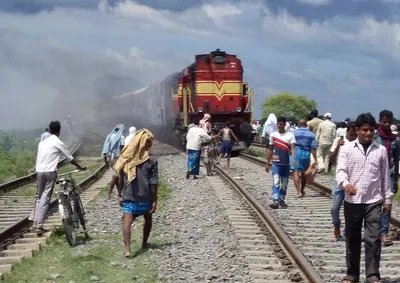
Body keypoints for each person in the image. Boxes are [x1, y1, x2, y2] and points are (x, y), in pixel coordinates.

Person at [337, 113, 392, 283]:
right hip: (352, 202)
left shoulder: (381, 150)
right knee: (352, 238)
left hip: (373, 201)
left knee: (373, 239)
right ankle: (352, 273)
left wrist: (388, 199)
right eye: (364, 130)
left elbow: (385, 177)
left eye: (371, 130)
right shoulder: (347, 149)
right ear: (358, 131)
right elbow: (340, 171)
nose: (368, 133)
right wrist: (346, 184)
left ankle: (372, 274)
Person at [29, 121, 86, 236]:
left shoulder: (42, 143)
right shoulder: (58, 142)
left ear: (50, 130)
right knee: (45, 197)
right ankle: (39, 226)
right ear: (59, 131)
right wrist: (80, 166)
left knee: (39, 196)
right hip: (50, 172)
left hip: (39, 171)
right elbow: (69, 157)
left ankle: (34, 223)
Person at [114, 129, 157, 258]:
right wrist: (155, 200)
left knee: (127, 222)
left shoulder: (126, 158)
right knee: (148, 218)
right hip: (146, 196)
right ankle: (144, 243)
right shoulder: (152, 160)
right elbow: (153, 183)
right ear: (146, 144)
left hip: (129, 195)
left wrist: (120, 194)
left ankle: (128, 250)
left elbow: (120, 178)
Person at [374, 110, 400, 246]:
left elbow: (396, 161)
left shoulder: (394, 139)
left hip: (388, 174)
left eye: (389, 122)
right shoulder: (374, 137)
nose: (387, 124)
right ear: (380, 121)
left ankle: (384, 232)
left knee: (387, 205)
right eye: (384, 121)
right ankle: (373, 230)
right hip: (373, 174)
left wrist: (396, 180)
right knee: (372, 204)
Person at [329, 121, 358, 240]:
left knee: (351, 209)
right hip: (340, 180)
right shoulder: (339, 141)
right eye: (351, 134)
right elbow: (330, 159)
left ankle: (347, 232)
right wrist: (337, 147)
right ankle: (336, 224)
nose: (353, 137)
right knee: (334, 208)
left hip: (354, 180)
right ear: (347, 131)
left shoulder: (359, 144)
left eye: (355, 135)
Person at [266, 116, 296, 209]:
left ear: (284, 124)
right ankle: (275, 200)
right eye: (278, 123)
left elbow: (292, 149)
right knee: (276, 181)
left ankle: (281, 199)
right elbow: (270, 149)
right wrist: (267, 162)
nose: (279, 124)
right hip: (276, 163)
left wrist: (293, 159)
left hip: (286, 163)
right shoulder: (273, 135)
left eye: (281, 123)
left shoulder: (290, 135)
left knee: (284, 183)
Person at [292, 119, 317, 198]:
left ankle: (298, 192)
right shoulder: (311, 135)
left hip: (295, 153)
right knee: (304, 173)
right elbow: (313, 148)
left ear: (298, 125)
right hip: (306, 154)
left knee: (295, 172)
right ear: (306, 125)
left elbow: (290, 145)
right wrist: (315, 159)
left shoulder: (293, 133)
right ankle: (302, 190)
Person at [101, 124, 125, 198]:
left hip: (109, 157)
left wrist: (106, 161)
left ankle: (119, 193)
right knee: (117, 175)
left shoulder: (110, 136)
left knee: (116, 175)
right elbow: (122, 148)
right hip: (117, 157)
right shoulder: (121, 137)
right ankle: (110, 192)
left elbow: (105, 147)